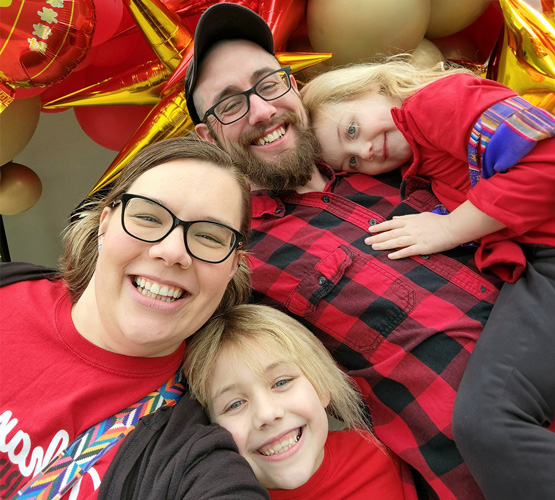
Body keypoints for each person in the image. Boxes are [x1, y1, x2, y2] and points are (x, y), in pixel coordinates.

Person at [184, 4, 505, 499]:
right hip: (499, 468)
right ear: (209, 137)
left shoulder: (389, 147)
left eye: (269, 83)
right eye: (230, 104)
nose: (263, 110)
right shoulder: (237, 261)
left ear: (293, 87)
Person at [301, 61, 555, 499]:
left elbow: (546, 162)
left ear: (371, 85)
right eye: (353, 159)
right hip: (536, 265)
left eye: (352, 129)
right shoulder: (422, 165)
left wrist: (450, 228)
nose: (367, 150)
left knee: (489, 418)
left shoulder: (435, 103)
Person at [0, 136, 268, 500]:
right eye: (147, 217)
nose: (173, 252)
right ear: (105, 224)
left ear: (233, 265)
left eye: (209, 236)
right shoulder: (8, 285)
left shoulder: (188, 456)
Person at [184, 303, 411, 500]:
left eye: (281, 382)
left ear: (320, 386)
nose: (267, 414)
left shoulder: (384, 453)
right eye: (234, 404)